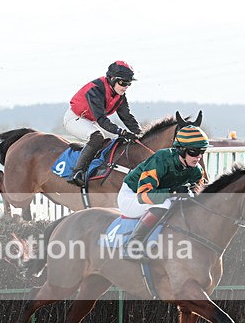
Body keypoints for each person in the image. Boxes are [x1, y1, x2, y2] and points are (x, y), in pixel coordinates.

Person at [117, 124, 209, 260]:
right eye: (194, 152)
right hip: (132, 196)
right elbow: (143, 196)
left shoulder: (196, 171)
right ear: (181, 150)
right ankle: (132, 246)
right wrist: (173, 192)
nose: (198, 157)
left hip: (157, 196)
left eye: (202, 151)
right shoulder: (160, 159)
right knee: (164, 203)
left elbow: (197, 195)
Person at [64, 60, 143, 187]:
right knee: (97, 137)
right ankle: (77, 172)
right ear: (112, 79)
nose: (125, 87)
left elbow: (127, 117)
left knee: (119, 140)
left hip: (92, 121)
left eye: (128, 84)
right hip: (75, 118)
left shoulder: (120, 95)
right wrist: (120, 131)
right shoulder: (95, 90)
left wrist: (140, 134)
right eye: (123, 83)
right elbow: (102, 120)